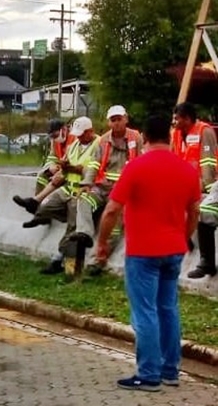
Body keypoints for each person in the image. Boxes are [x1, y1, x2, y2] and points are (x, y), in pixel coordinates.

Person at [95, 115, 200, 392]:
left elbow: (111, 210)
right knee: (168, 309)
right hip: (174, 250)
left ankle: (149, 374)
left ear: (145, 137)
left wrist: (102, 242)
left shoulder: (136, 167)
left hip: (143, 252)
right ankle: (170, 371)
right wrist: (183, 237)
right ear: (168, 136)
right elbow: (194, 213)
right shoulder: (188, 170)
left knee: (145, 312)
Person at [65, 105, 143, 276]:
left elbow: (141, 162)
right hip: (102, 187)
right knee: (83, 199)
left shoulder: (136, 138)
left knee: (113, 227)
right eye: (113, 120)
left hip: (123, 191)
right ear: (109, 122)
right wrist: (87, 183)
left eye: (119, 119)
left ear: (126, 119)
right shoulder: (104, 140)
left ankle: (97, 261)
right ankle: (84, 233)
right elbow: (94, 164)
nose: (116, 123)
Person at [27, 117, 101, 274]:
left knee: (73, 229)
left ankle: (65, 264)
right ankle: (63, 218)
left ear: (90, 131)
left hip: (82, 192)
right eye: (77, 134)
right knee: (45, 206)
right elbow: (65, 164)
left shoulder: (98, 144)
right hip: (67, 189)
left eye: (82, 134)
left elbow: (92, 171)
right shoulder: (74, 145)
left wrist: (74, 169)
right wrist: (63, 168)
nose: (79, 137)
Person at [171, 103, 218, 279]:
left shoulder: (204, 131)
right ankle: (184, 241)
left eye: (177, 118)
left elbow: (208, 162)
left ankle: (203, 258)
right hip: (184, 182)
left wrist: (207, 186)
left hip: (202, 183)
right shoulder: (176, 134)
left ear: (188, 119)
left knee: (202, 210)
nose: (174, 122)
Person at [13, 119, 75, 214]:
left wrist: (60, 171)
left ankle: (36, 204)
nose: (54, 138)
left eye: (55, 135)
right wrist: (51, 166)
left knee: (57, 179)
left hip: (71, 171)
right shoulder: (55, 141)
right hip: (61, 168)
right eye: (52, 136)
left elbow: (74, 161)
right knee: (42, 175)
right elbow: (52, 157)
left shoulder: (74, 138)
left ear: (63, 129)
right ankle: (37, 205)